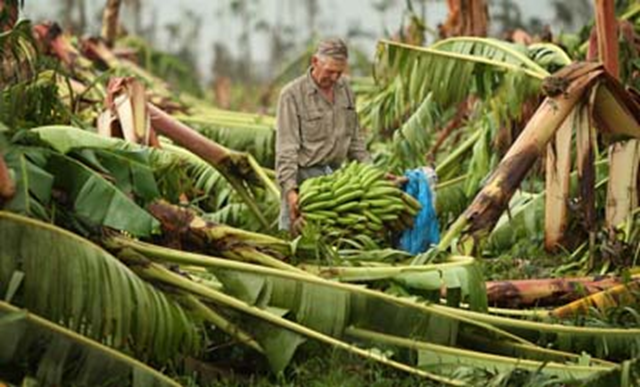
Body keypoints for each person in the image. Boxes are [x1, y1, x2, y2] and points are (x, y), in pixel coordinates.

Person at [275, 38, 370, 232]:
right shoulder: (292, 95)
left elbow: (355, 142)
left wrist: (372, 173)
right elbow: (286, 149)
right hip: (305, 184)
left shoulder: (346, 90)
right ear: (314, 62)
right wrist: (291, 192)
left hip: (336, 183)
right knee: (299, 242)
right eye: (330, 71)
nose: (335, 78)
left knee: (335, 241)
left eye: (339, 72)